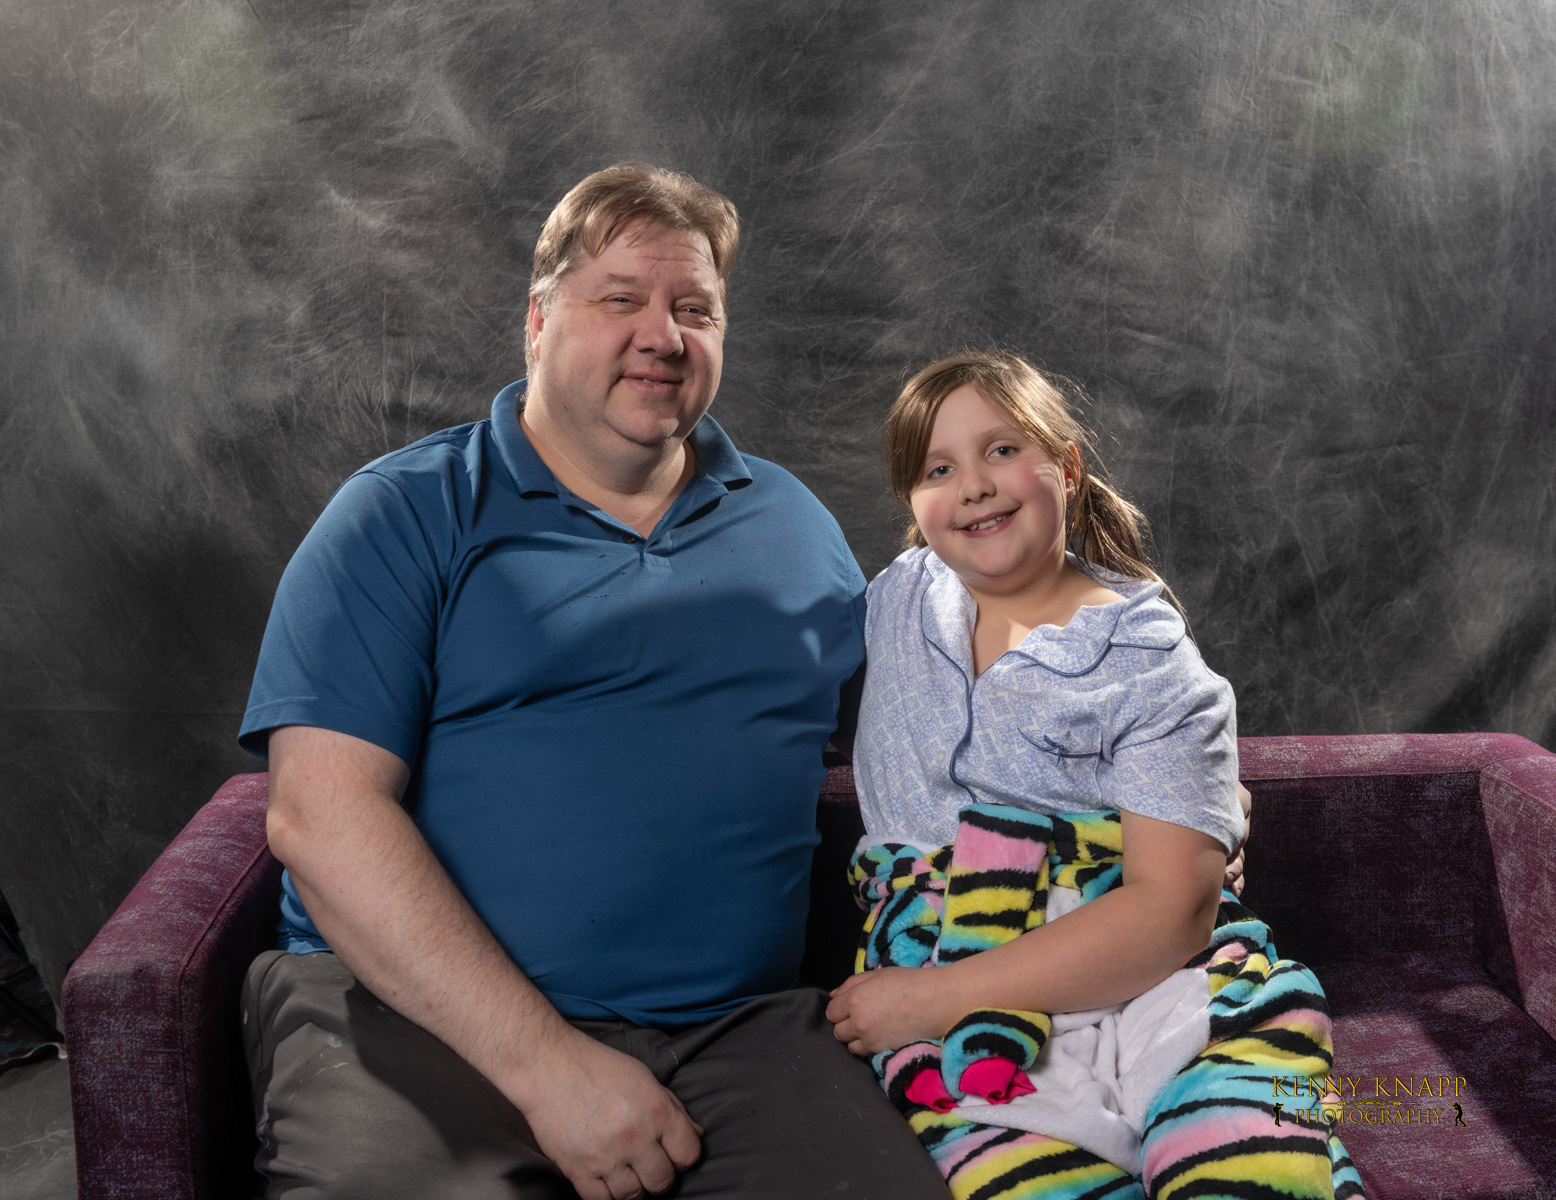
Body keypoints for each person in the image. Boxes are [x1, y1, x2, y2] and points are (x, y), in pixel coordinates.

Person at [235, 163, 950, 1200]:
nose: (663, 336)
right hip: (417, 1019)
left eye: (694, 309)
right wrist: (548, 1068)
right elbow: (319, 816)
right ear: (537, 322)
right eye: (620, 299)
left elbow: (927, 728)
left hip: (737, 1031)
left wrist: (1130, 739)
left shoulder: (794, 526)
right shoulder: (401, 514)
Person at [826, 352, 1360, 1200]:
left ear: (1067, 469)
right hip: (959, 985)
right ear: (912, 504)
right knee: (1025, 1180)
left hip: (1144, 969)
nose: (973, 486)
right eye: (938, 469)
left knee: (1241, 1149)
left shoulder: (1148, 657)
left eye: (1002, 451)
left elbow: (1170, 911)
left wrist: (930, 1000)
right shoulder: (895, 602)